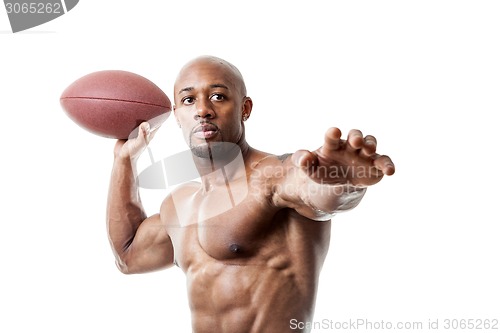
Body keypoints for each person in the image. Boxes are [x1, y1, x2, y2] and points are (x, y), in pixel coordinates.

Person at [107, 55, 395, 333]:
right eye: (188, 99)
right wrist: (124, 160)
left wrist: (344, 181)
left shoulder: (273, 174)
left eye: (218, 96)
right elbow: (128, 256)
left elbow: (319, 196)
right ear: (177, 115)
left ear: (245, 109)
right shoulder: (179, 204)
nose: (202, 109)